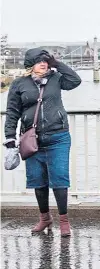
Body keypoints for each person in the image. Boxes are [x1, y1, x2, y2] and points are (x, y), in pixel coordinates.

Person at [4, 48, 81, 236]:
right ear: (30, 65)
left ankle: (64, 220)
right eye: (39, 61)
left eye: (45, 61)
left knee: (60, 179)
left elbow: (75, 80)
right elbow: (12, 112)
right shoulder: (18, 84)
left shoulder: (56, 79)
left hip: (58, 137)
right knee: (38, 181)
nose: (43, 63)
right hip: (32, 140)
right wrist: (10, 138)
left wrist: (57, 64)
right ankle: (45, 218)